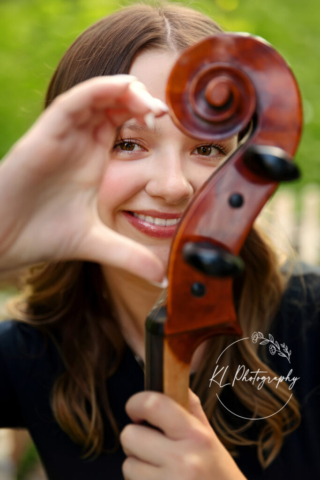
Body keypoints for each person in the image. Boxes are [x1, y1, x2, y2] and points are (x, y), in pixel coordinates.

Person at [0, 2, 319, 479]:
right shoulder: (27, 350)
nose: (173, 186)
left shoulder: (311, 318)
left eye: (207, 148)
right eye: (128, 143)